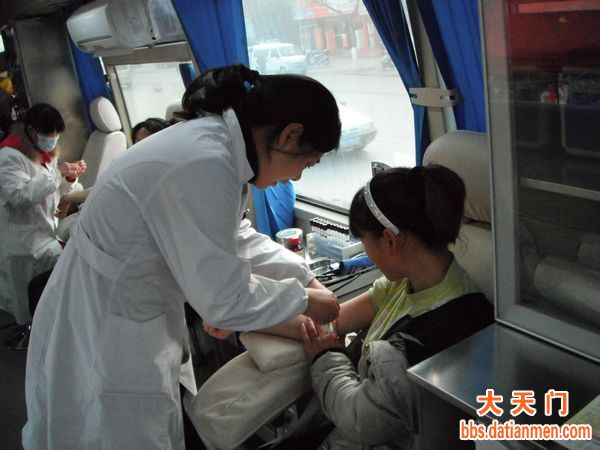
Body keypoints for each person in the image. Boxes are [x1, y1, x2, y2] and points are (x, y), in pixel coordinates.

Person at [23, 64, 342, 449]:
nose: (297, 178)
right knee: (109, 432)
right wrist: (304, 299)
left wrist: (302, 275)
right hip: (107, 326)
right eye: (306, 163)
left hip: (128, 308)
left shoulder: (218, 148)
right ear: (290, 135)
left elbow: (235, 235)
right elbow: (224, 300)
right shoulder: (205, 162)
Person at [295, 166, 495, 449]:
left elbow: (357, 420)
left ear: (390, 240)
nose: (367, 254)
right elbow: (334, 320)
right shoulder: (406, 282)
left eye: (364, 242)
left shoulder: (441, 334)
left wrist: (326, 357)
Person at [0, 103, 85, 329]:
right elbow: (20, 196)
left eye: (57, 134)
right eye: (49, 133)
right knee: (26, 306)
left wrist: (68, 180)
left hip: (45, 236)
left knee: (47, 300)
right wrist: (57, 174)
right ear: (31, 130)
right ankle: (27, 335)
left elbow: (53, 194)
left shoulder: (45, 156)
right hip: (22, 243)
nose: (53, 138)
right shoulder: (9, 157)